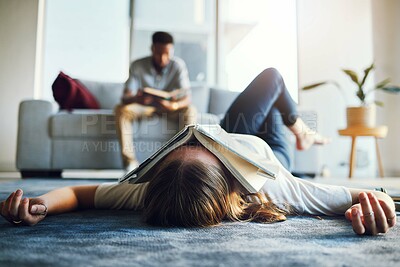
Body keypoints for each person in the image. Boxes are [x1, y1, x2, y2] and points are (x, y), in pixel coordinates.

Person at [1, 69, 396, 236]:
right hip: (271, 153)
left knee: (269, 80)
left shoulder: (150, 187)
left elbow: (77, 194)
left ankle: (295, 129)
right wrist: (376, 207)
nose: (192, 139)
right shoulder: (278, 190)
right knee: (273, 78)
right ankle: (299, 135)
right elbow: (372, 195)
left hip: (233, 130)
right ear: (230, 182)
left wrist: (41, 205)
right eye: (203, 147)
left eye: (187, 143)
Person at [115, 31, 197, 171]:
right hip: (145, 107)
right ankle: (130, 163)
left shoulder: (178, 66)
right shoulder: (137, 65)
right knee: (120, 110)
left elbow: (187, 97)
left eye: (167, 54)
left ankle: (185, 160)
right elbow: (125, 98)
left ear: (172, 50)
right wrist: (137, 98)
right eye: (159, 54)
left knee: (190, 110)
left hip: (169, 107)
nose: (163, 59)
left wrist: (174, 105)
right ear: (152, 48)